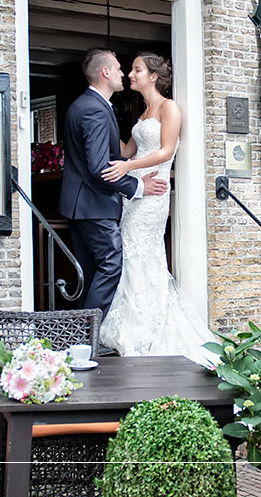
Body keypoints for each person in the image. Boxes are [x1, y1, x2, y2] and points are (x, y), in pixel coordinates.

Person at [97, 52, 217, 368]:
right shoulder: (144, 112)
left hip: (153, 194)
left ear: (153, 76)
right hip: (134, 193)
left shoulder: (169, 108)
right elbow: (126, 150)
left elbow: (165, 151)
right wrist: (105, 119)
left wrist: (128, 167)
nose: (131, 74)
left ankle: (147, 329)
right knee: (131, 255)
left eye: (136, 70)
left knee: (141, 253)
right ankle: (137, 324)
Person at [60, 48, 167, 322]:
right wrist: (137, 186)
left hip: (82, 207)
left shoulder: (86, 105)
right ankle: (85, 334)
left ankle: (80, 337)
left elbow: (118, 152)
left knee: (92, 272)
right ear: (105, 72)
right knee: (110, 265)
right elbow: (98, 167)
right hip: (94, 206)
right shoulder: (94, 109)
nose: (124, 74)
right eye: (120, 68)